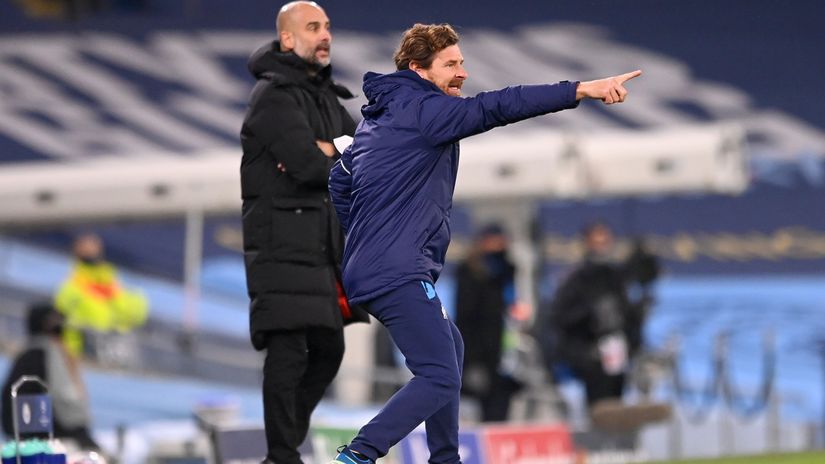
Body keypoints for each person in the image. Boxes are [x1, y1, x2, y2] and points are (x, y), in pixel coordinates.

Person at [328, 23, 641, 464]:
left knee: (449, 351)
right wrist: (582, 90)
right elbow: (502, 105)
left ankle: (445, 458)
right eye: (451, 64)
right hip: (397, 269)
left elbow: (339, 181)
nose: (463, 72)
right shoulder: (426, 111)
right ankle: (359, 454)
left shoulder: (377, 121)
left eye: (462, 62)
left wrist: (366, 237)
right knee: (438, 374)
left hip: (376, 265)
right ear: (418, 69)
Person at [239, 2, 368, 463]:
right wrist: (336, 150)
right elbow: (310, 166)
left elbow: (365, 157)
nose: (325, 35)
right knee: (290, 349)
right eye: (314, 27)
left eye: (328, 26)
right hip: (282, 247)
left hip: (320, 248)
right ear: (288, 39)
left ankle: (283, 447)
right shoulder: (273, 97)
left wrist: (332, 146)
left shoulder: (327, 98)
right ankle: (281, 452)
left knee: (329, 348)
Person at [540, 221, 658, 411]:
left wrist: (637, 318)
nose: (601, 246)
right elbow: (560, 318)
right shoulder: (576, 280)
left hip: (618, 353)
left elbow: (627, 314)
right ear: (586, 243)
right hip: (590, 357)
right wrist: (588, 315)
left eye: (605, 241)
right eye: (596, 241)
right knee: (598, 408)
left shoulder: (615, 276)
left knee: (617, 406)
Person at [1, 302, 100, 450]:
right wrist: (35, 445)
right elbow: (28, 407)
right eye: (56, 321)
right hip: (50, 442)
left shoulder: (46, 353)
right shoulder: (38, 355)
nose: (62, 326)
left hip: (60, 438)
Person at [454, 224, 521, 422]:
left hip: (504, 350)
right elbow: (465, 317)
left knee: (502, 402)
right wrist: (472, 360)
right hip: (480, 354)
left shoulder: (506, 272)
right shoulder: (469, 272)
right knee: (484, 403)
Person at [55, 233, 149, 360]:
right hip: (82, 354)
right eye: (85, 248)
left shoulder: (112, 282)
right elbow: (61, 321)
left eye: (92, 247)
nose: (90, 251)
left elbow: (137, 315)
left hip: (115, 353)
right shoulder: (70, 287)